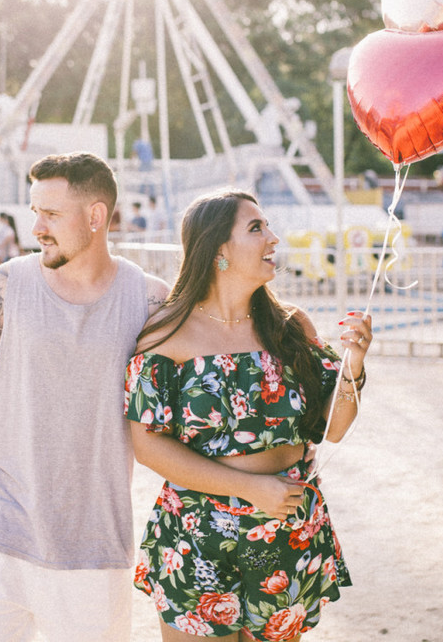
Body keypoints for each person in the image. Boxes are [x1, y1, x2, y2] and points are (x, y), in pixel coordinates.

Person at [0, 151, 170, 641]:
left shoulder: (149, 300)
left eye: (51, 214)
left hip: (96, 548)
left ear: (95, 216)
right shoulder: (7, 284)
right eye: (34, 212)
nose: (37, 227)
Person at [125, 188, 372, 640]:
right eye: (256, 228)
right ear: (218, 248)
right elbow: (147, 445)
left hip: (287, 531)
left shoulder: (290, 326)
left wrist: (353, 365)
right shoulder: (167, 334)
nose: (273, 238)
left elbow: (333, 428)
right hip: (198, 535)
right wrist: (251, 488)